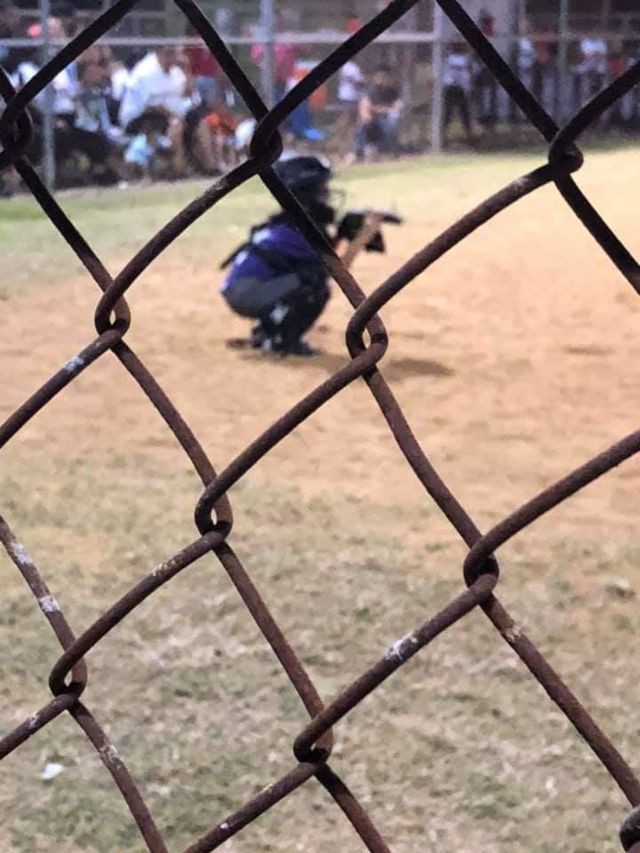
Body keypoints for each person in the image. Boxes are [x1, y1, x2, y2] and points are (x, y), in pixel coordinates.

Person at [219, 155, 335, 357]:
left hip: (243, 287)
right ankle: (281, 340)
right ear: (305, 193)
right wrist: (361, 236)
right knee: (314, 283)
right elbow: (331, 268)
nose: (326, 193)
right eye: (320, 189)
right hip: (247, 292)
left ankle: (266, 332)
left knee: (306, 278)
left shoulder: (287, 224)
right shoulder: (298, 231)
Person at [355, 64, 403, 160]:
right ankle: (359, 153)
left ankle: (388, 152)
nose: (381, 79)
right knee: (363, 125)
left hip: (386, 118)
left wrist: (381, 109)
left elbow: (398, 106)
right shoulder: (369, 91)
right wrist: (371, 113)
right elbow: (365, 106)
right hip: (373, 118)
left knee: (391, 124)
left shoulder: (393, 91)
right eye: (379, 76)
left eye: (385, 77)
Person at [442, 41, 473, 147]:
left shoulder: (463, 59)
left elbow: (466, 74)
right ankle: (442, 137)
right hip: (451, 87)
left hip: (458, 88)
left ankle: (469, 136)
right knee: (448, 114)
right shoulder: (450, 59)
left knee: (464, 114)